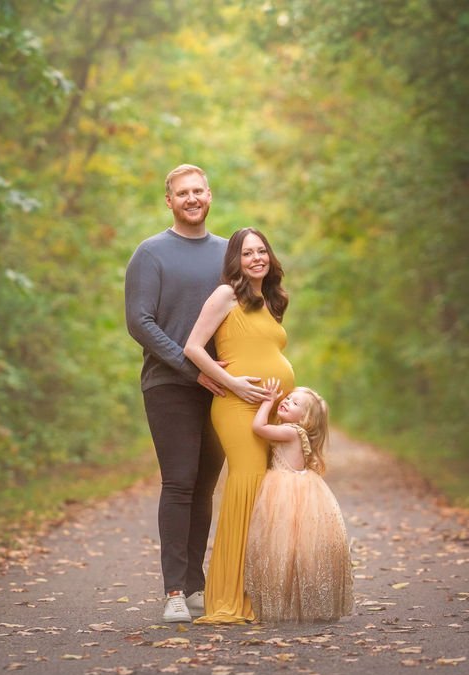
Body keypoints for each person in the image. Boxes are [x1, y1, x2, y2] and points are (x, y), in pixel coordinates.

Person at [124, 164, 228, 623]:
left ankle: (196, 585)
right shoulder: (150, 253)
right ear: (169, 201)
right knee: (180, 482)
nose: (192, 199)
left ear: (209, 195)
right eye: (182, 193)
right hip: (169, 384)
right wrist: (191, 369)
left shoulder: (227, 253)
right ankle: (174, 592)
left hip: (222, 386)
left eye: (198, 191)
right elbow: (139, 322)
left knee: (204, 486)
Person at [183, 227, 294, 624]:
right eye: (247, 253)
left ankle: (258, 591)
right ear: (236, 260)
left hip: (270, 409)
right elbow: (193, 347)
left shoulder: (270, 301)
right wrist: (232, 383)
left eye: (261, 251)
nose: (256, 258)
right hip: (236, 406)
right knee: (246, 485)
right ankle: (228, 595)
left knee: (266, 495)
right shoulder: (225, 295)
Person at [245, 379, 354, 623]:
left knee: (281, 547)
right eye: (287, 398)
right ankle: (296, 599)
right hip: (299, 488)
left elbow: (259, 427)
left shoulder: (290, 431)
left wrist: (268, 402)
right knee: (295, 549)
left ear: (305, 419)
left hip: (284, 490)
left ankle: (283, 600)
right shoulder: (295, 431)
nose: (286, 401)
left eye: (294, 403)